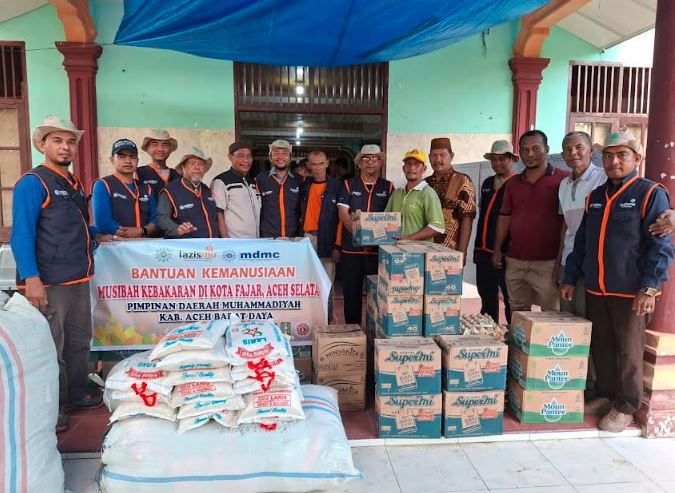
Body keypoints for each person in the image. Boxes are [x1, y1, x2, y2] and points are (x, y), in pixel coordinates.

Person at [561, 130, 674, 432]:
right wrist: (571, 277)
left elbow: (661, 247)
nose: (613, 161)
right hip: (597, 288)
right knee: (602, 345)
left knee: (629, 350)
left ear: (637, 158)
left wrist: (649, 287)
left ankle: (626, 406)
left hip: (630, 291)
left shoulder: (650, 193)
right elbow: (582, 242)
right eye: (608, 156)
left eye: (622, 155)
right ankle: (606, 395)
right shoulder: (597, 196)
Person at [11, 116, 111, 433]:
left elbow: (73, 225)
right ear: (42, 144)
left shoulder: (73, 183)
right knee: (49, 347)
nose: (65, 147)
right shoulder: (33, 183)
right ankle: (50, 409)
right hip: (49, 282)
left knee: (78, 343)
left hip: (78, 278)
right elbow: (21, 234)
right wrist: (32, 279)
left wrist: (97, 233)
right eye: (57, 141)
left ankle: (74, 394)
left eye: (70, 142)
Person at [492, 130, 569, 312]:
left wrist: (560, 261)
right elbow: (505, 218)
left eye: (536, 148)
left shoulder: (563, 180)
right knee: (517, 310)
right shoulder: (513, 184)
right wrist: (497, 249)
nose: (530, 154)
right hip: (515, 261)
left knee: (551, 312)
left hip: (548, 263)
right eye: (525, 150)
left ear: (546, 149)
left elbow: (568, 222)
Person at [338, 144, 393, 324]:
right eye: (366, 159)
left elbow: (391, 218)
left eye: (374, 158)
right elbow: (343, 214)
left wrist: (373, 241)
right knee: (351, 294)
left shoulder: (388, 187)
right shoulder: (348, 184)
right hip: (351, 250)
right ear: (359, 163)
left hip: (377, 253)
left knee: (377, 296)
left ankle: (374, 333)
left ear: (380, 163)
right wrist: (363, 237)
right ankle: (352, 331)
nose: (370, 162)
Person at [473, 140, 518, 324]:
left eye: (502, 159)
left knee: (510, 299)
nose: (497, 163)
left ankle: (514, 335)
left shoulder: (517, 183)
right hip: (482, 249)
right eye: (494, 159)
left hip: (505, 253)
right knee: (486, 296)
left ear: (512, 159)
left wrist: (505, 250)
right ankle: (490, 334)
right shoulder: (487, 183)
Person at [300, 149, 342, 322]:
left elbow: (341, 219)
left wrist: (337, 245)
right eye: (313, 164)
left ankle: (327, 319)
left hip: (328, 240)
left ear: (327, 164)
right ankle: (308, 319)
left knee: (327, 283)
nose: (317, 167)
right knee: (307, 282)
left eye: (320, 163)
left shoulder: (337, 187)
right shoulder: (304, 186)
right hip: (306, 240)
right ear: (308, 165)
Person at [92, 138, 157, 238]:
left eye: (132, 157)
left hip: (145, 244)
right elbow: (102, 221)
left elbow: (156, 219)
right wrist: (123, 232)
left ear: (137, 161)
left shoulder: (147, 188)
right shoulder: (103, 185)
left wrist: (142, 231)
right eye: (121, 156)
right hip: (116, 244)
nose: (128, 161)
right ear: (112, 160)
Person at [425, 137, 476, 256]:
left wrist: (462, 251)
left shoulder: (462, 181)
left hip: (450, 251)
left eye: (442, 155)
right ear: (429, 158)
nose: (438, 159)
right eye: (433, 155)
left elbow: (467, 217)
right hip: (424, 248)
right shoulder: (425, 184)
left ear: (451, 156)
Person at [156, 147, 218, 238]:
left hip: (211, 245)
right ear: (183, 167)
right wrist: (177, 229)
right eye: (192, 163)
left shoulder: (206, 189)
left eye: (200, 164)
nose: (197, 167)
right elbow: (162, 218)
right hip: (185, 246)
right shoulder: (170, 190)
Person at [385, 149, 445, 240]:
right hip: (395, 247)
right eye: (409, 164)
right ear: (404, 168)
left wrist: (409, 238)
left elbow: (437, 227)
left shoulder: (428, 193)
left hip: (418, 249)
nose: (412, 168)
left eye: (417, 164)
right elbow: (385, 219)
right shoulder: (397, 193)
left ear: (424, 169)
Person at [210, 142, 261, 238]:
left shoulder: (253, 182)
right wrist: (226, 241)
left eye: (249, 156)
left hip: (255, 240)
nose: (246, 160)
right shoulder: (221, 181)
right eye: (241, 156)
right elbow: (218, 214)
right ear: (230, 157)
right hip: (235, 242)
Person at [256, 139, 302, 238]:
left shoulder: (299, 180)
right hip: (268, 238)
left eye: (285, 153)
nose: (280, 157)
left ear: (291, 158)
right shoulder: (261, 179)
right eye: (276, 153)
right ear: (270, 157)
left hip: (293, 238)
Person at [136, 129, 180, 196]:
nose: (160, 149)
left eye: (165, 145)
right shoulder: (138, 173)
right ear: (148, 148)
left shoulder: (178, 175)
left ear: (170, 149)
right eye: (155, 144)